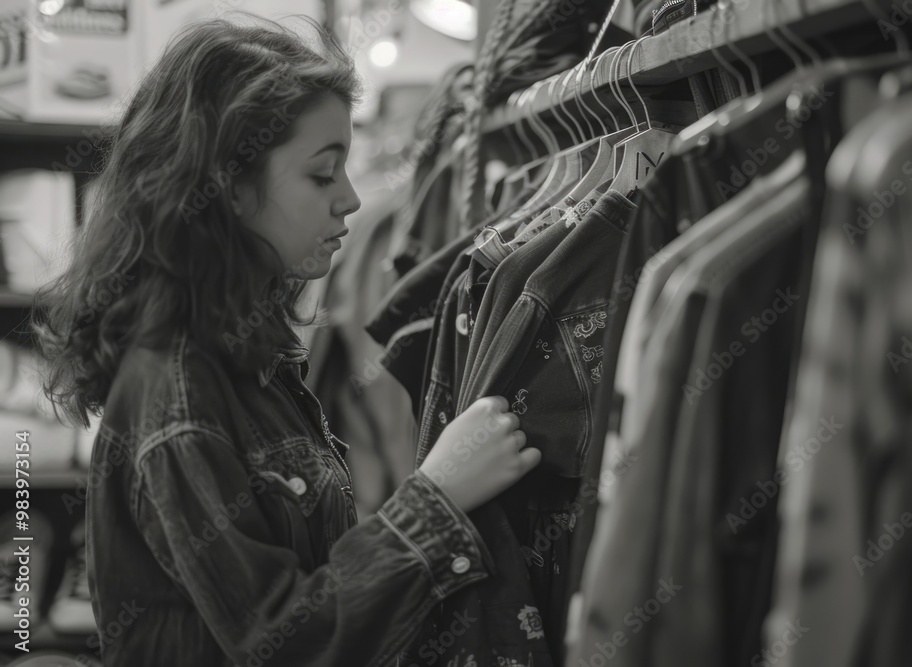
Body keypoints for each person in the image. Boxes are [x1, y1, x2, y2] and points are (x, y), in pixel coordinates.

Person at [32, 15, 541, 667]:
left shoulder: (245, 358)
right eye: (322, 175)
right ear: (229, 188)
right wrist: (436, 499)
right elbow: (282, 641)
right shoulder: (180, 399)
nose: (351, 199)